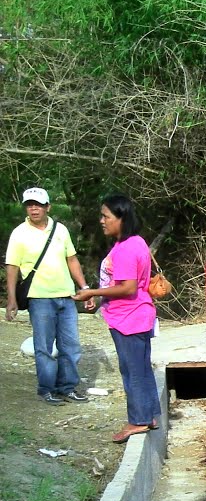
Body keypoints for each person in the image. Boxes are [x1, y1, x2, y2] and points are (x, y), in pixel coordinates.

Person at [73, 194, 161, 443]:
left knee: (132, 371)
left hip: (128, 318)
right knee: (141, 368)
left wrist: (92, 292)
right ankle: (149, 415)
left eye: (106, 216)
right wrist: (99, 299)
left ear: (121, 218)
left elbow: (127, 288)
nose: (101, 221)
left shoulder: (126, 249)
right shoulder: (136, 242)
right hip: (136, 315)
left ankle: (138, 421)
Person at [5, 187, 91, 406]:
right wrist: (12, 299)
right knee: (43, 347)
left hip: (67, 296)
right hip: (39, 298)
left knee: (70, 346)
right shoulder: (19, 233)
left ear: (47, 207)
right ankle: (47, 389)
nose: (33, 209)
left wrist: (84, 287)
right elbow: (12, 267)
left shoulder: (60, 230)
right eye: (29, 204)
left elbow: (72, 259)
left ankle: (68, 387)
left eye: (38, 204)